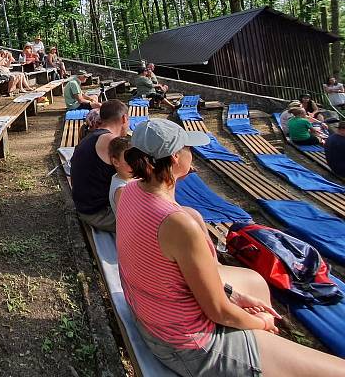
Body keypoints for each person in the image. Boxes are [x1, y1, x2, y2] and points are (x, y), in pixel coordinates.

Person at [118, 118, 345, 377]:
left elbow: (168, 273)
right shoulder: (178, 224)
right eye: (187, 148)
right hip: (187, 344)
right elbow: (218, 312)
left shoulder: (130, 191)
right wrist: (260, 323)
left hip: (153, 316)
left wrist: (231, 294)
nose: (191, 153)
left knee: (253, 281)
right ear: (174, 159)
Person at [69, 99, 130, 231]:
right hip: (99, 214)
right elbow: (133, 175)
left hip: (84, 205)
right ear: (124, 118)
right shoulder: (112, 142)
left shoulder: (91, 137)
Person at [107, 136, 133, 215]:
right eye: (129, 161)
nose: (135, 165)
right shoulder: (121, 191)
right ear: (115, 162)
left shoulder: (125, 176)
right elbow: (129, 218)